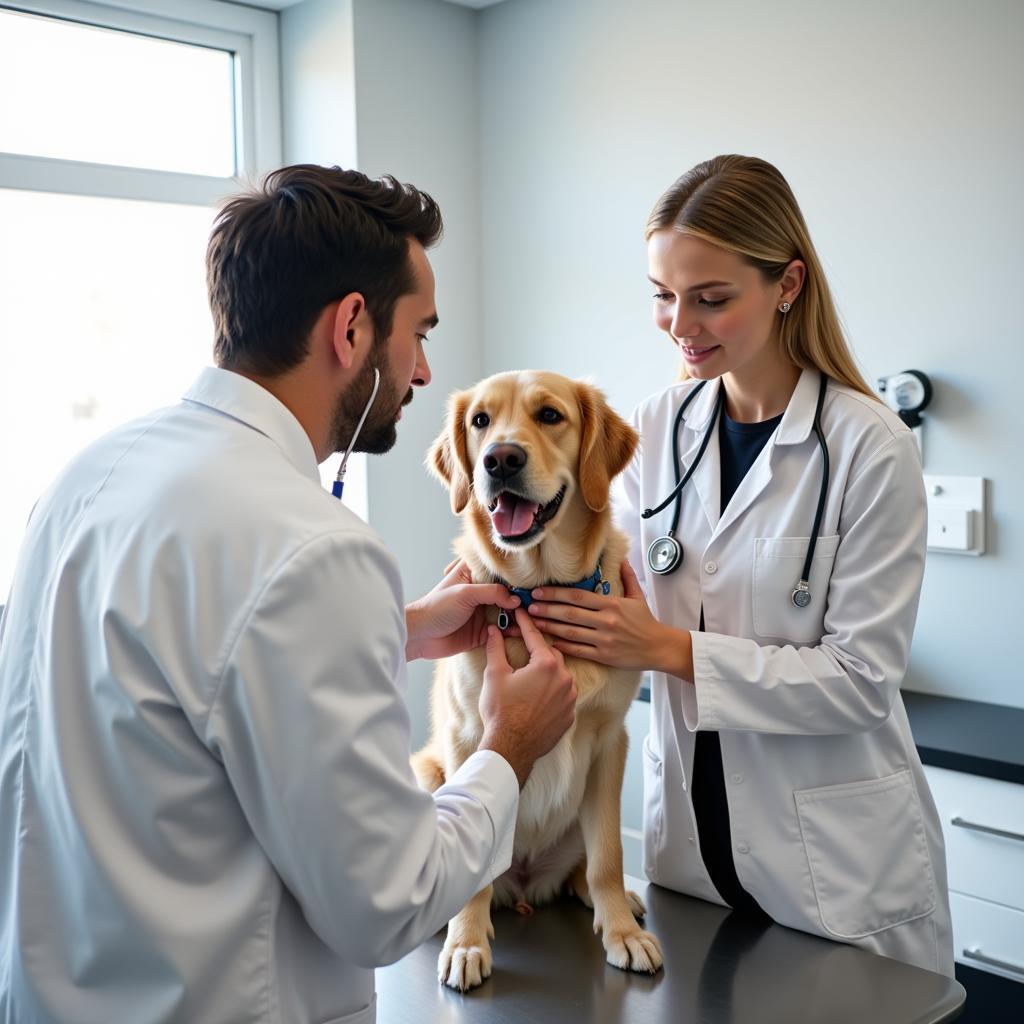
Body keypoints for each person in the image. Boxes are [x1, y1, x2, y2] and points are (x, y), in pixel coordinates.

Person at [0, 165, 576, 1023]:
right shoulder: (315, 550)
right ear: (351, 326)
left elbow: (178, 684)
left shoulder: (88, 475)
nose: (423, 372)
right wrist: (508, 749)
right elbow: (387, 901)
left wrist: (402, 629)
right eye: (418, 333)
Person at [519, 155, 954, 976]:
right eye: (662, 295)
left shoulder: (867, 445)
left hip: (837, 869)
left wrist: (665, 650)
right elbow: (581, 564)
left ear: (787, 284)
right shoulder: (658, 425)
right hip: (690, 853)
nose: (680, 322)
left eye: (711, 298)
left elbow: (862, 680)